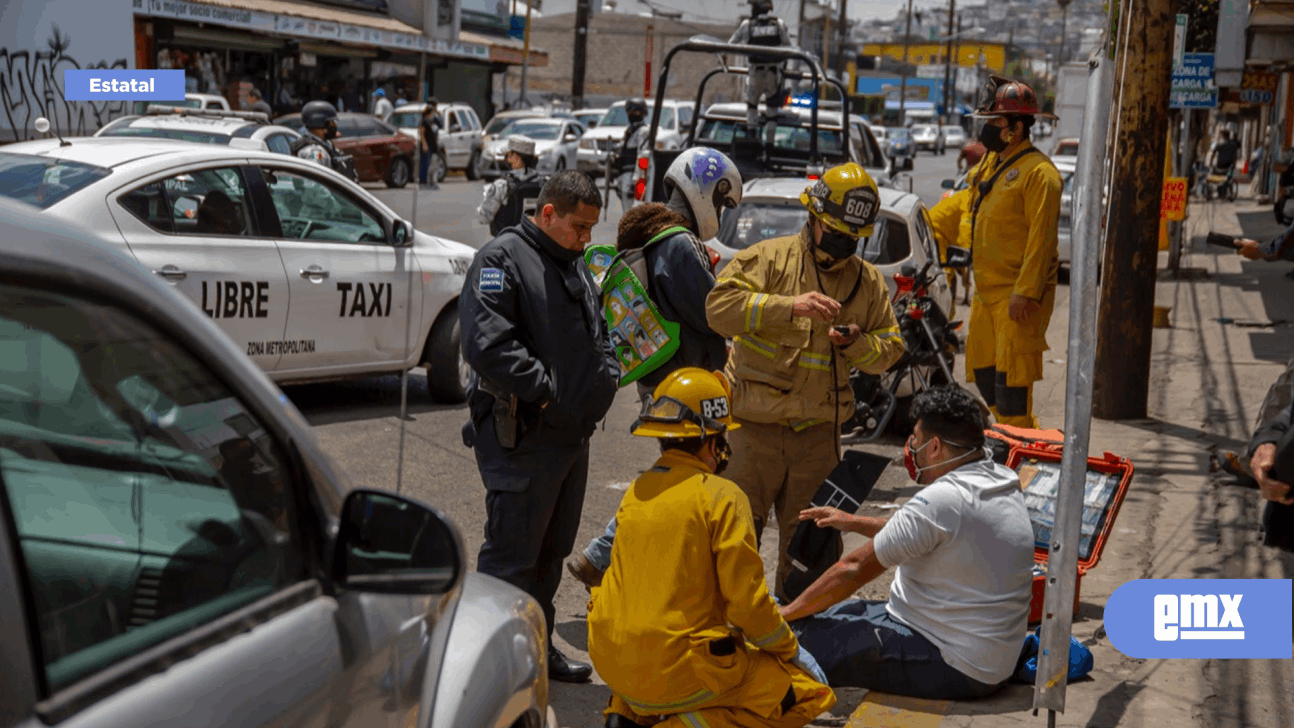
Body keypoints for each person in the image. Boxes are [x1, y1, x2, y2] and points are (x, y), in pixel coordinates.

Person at [588, 368, 835, 728]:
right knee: (807, 694)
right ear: (711, 442)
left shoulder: (637, 491)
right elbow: (749, 608)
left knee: (668, 663)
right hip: (680, 669)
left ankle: (625, 714)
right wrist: (789, 649)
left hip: (612, 660)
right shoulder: (722, 497)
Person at [705, 162, 906, 601]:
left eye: (852, 238)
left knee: (812, 554)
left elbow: (890, 349)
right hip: (751, 433)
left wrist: (856, 344)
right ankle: (721, 635)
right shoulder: (769, 259)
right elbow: (719, 309)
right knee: (730, 543)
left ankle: (796, 639)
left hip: (817, 439)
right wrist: (788, 307)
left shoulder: (867, 282)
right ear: (812, 218)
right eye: (835, 233)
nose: (843, 245)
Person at [459, 170, 620, 684]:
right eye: (579, 227)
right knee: (511, 559)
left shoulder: (572, 262)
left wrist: (606, 375)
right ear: (547, 213)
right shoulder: (502, 260)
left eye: (592, 228)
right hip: (526, 437)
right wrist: (548, 392)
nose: (586, 238)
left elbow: (598, 330)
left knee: (552, 555)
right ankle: (487, 669)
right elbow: (488, 345)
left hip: (570, 438)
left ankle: (534, 651)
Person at [779, 385, 1035, 700]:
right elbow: (927, 532)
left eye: (916, 438)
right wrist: (853, 521)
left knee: (796, 638)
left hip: (954, 663)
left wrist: (785, 615)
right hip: (986, 655)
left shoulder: (943, 500)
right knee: (832, 613)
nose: (911, 446)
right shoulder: (1000, 478)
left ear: (936, 447)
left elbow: (852, 568)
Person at [566, 147, 743, 590]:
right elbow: (712, 312)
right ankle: (608, 555)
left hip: (663, 380)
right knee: (684, 473)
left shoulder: (650, 235)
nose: (719, 211)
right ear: (706, 191)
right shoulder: (679, 243)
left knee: (683, 474)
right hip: (687, 386)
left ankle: (621, 560)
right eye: (720, 201)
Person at [934, 76, 1062, 429]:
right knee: (983, 375)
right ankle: (1018, 438)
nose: (988, 130)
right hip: (986, 295)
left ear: (1016, 128)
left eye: (995, 122)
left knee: (1012, 389)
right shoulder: (992, 163)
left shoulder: (1040, 175)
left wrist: (1026, 292)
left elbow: (1041, 241)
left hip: (1015, 298)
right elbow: (971, 199)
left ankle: (1026, 450)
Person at [727, 0, 793, 128]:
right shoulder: (779, 24)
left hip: (755, 74)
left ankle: (751, 137)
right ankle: (769, 145)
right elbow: (788, 48)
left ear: (757, 8)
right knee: (772, 110)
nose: (751, 10)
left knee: (752, 107)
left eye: (753, 7)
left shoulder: (747, 25)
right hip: (773, 74)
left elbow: (730, 45)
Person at [477, 135, 545, 236]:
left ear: (516, 157)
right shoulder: (544, 185)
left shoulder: (501, 186)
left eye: (508, 155)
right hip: (535, 243)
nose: (507, 159)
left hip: (507, 244)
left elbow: (483, 218)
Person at [290, 100, 357, 181]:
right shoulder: (316, 153)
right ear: (321, 124)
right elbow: (313, 183)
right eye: (332, 122)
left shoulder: (325, 144)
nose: (335, 125)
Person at [614, 98, 650, 212]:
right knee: (626, 208)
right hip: (624, 174)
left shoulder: (643, 131)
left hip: (632, 176)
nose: (632, 114)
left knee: (633, 210)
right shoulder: (630, 130)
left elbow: (642, 155)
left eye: (636, 111)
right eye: (630, 111)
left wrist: (637, 180)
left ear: (642, 113)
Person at [419, 100, 442, 189]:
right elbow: (421, 133)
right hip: (426, 145)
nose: (433, 114)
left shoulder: (432, 120)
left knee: (432, 164)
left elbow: (440, 125)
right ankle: (423, 182)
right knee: (424, 164)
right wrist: (424, 144)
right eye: (432, 113)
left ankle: (432, 182)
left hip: (433, 145)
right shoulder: (424, 121)